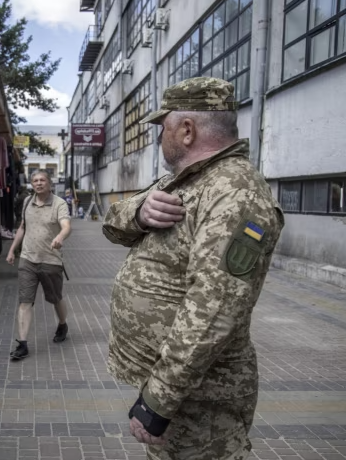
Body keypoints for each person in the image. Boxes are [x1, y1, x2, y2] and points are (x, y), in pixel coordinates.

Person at [102, 77, 284, 460]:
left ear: (186, 130)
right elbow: (112, 223)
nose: (158, 138)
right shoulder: (186, 180)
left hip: (199, 399)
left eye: (162, 127)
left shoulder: (235, 193)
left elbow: (214, 309)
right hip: (178, 389)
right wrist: (139, 211)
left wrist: (158, 399)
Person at [6, 169, 72, 360]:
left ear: (49, 183)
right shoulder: (27, 202)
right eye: (35, 180)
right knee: (25, 301)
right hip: (27, 259)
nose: (39, 183)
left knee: (55, 298)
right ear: (31, 183)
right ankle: (22, 344)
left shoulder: (59, 203)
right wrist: (12, 250)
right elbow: (22, 227)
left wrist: (60, 236)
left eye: (42, 180)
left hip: (50, 261)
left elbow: (66, 226)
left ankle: (62, 324)